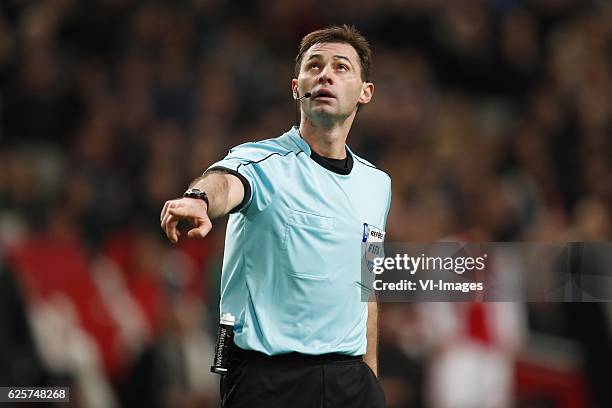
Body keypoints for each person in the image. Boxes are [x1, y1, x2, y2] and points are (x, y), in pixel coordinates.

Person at [160, 25, 391, 407]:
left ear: (365, 92)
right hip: (269, 380)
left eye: (341, 67)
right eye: (314, 66)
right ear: (296, 87)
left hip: (351, 382)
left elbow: (367, 283)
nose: (326, 74)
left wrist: (371, 375)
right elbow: (225, 182)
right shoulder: (261, 161)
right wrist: (199, 199)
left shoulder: (377, 184)